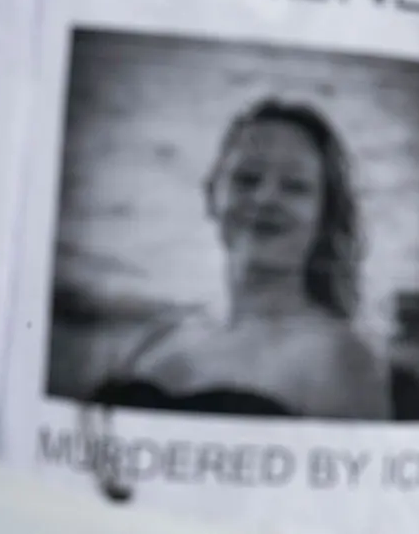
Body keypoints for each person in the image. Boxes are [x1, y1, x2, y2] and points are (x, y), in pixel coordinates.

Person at [90, 99, 392, 419]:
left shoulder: (343, 359)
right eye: (247, 179)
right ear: (211, 195)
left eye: (295, 187)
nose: (265, 198)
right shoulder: (160, 337)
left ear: (326, 215)